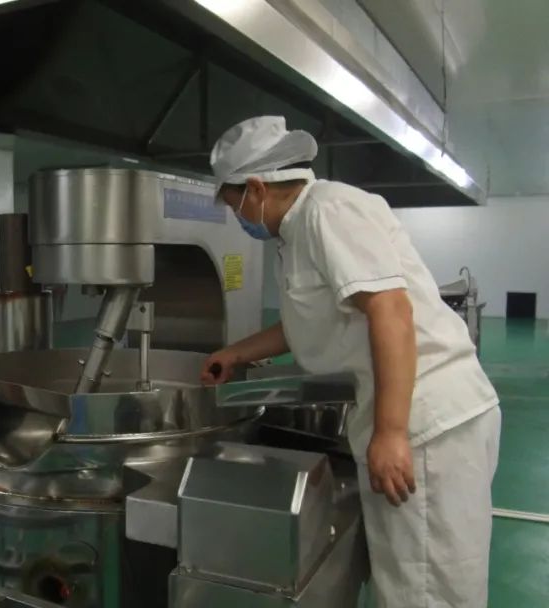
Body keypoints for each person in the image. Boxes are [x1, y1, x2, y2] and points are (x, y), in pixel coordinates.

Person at [201, 116, 501, 607]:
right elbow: (308, 321)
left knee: (426, 593)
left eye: (235, 206)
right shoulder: (296, 232)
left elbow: (390, 310)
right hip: (422, 418)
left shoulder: (329, 211)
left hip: (426, 423)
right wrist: (235, 354)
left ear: (256, 188)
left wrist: (392, 432)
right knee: (413, 583)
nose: (239, 217)